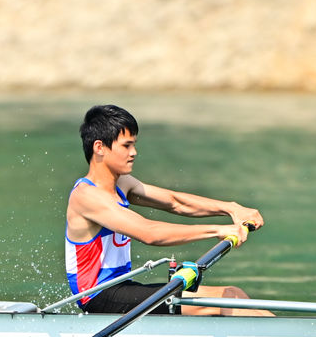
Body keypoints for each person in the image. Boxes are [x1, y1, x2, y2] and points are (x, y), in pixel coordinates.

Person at [65, 104, 269, 316]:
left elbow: (175, 202)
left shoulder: (122, 183)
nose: (134, 152)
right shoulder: (86, 196)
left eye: (134, 145)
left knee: (233, 294)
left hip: (122, 288)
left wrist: (231, 208)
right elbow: (149, 233)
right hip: (97, 296)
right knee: (227, 298)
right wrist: (218, 230)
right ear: (99, 147)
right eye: (126, 146)